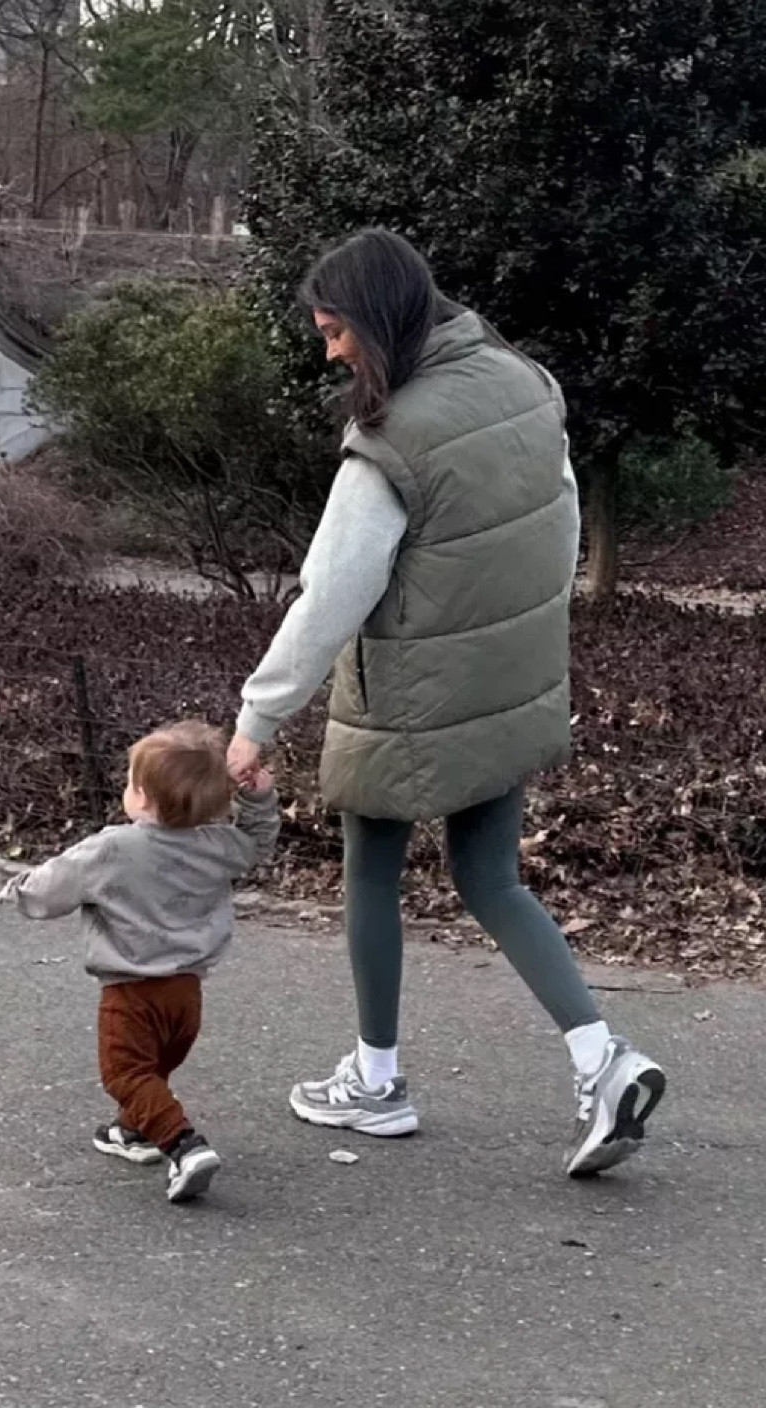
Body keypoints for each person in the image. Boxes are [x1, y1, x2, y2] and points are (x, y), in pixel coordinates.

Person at [227, 229, 666, 1178]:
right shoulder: (523, 382)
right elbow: (564, 520)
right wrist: (524, 633)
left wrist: (257, 720)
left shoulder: (390, 443)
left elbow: (330, 598)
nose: (330, 349)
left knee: (372, 874)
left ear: (377, 322)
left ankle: (377, 1083)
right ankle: (603, 1059)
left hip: (411, 695)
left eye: (336, 330)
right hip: (509, 675)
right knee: (491, 877)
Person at [1, 719, 280, 1203]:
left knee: (125, 1074)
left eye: (131, 782)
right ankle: (131, 1132)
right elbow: (256, 843)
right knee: (150, 1071)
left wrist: (20, 891)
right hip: (186, 996)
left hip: (130, 992)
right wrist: (258, 799)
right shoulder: (217, 847)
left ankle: (184, 1145)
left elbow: (56, 885)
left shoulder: (114, 847)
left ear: (144, 798)